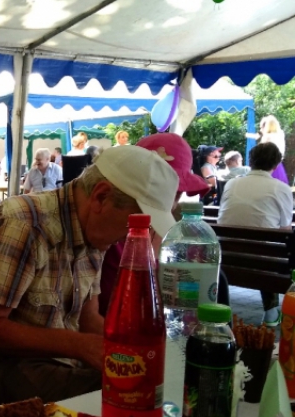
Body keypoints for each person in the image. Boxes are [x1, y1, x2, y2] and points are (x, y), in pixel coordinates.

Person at [0, 146, 178, 406]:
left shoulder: (94, 234)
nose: (131, 237)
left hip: (59, 364)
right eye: (134, 226)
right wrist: (79, 346)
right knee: (127, 397)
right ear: (100, 197)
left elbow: (88, 319)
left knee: (151, 382)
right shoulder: (23, 223)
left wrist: (136, 352)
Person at [98, 133, 211, 316]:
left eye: (175, 191)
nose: (167, 200)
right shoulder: (109, 234)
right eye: (157, 189)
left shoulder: (179, 236)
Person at [218, 143, 293, 326]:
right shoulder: (280, 188)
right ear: (276, 164)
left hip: (226, 257)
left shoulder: (231, 184)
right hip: (265, 264)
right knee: (274, 245)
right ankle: (271, 311)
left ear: (250, 161)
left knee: (265, 245)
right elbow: (285, 227)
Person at [259, 115, 289, 186]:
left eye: (261, 127)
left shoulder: (267, 138)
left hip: (268, 167)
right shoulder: (280, 135)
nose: (260, 130)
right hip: (278, 165)